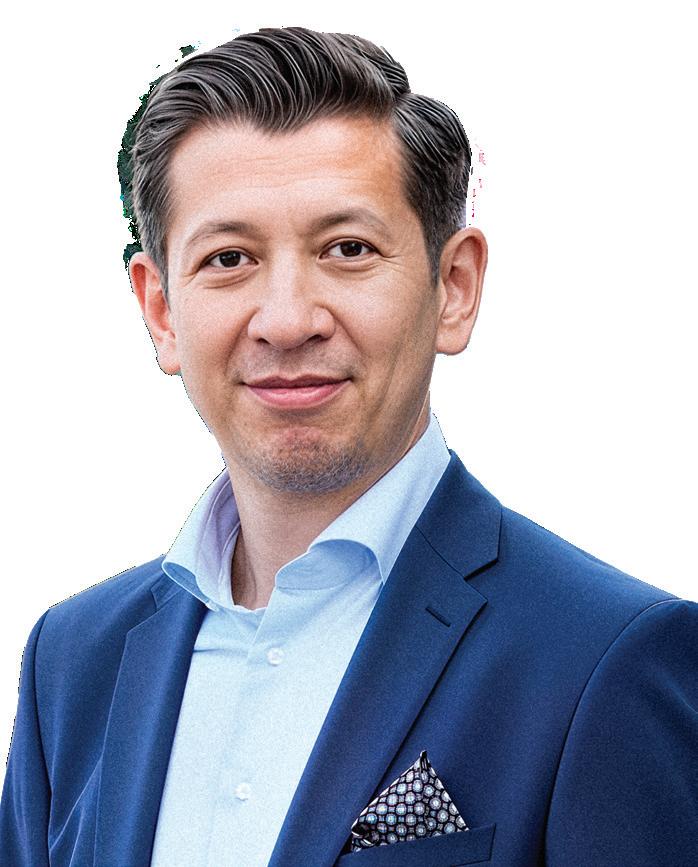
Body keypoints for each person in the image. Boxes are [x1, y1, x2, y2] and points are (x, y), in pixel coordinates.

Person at [1, 25, 696, 867]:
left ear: (454, 287)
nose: (287, 320)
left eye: (348, 249)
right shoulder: (72, 661)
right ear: (160, 309)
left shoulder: (604, 661)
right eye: (229, 257)